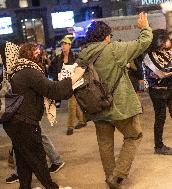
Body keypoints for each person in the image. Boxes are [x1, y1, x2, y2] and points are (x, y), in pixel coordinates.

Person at [75, 12, 152, 189]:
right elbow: (143, 42)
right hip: (120, 107)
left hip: (97, 108)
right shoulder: (114, 49)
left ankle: (110, 179)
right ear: (105, 36)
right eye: (109, 35)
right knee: (134, 136)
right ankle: (117, 177)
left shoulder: (83, 54)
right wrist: (145, 27)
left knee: (105, 144)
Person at [3, 42, 84, 189]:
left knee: (23, 160)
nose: (41, 54)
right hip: (24, 123)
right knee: (38, 158)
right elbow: (52, 89)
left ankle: (25, 186)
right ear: (30, 54)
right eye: (37, 52)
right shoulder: (29, 71)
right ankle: (50, 186)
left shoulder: (17, 69)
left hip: (15, 123)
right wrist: (75, 76)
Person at [143, 29, 172, 155]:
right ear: (160, 41)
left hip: (170, 88)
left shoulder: (167, 52)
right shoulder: (149, 56)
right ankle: (158, 146)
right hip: (157, 91)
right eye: (167, 39)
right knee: (160, 118)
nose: (169, 41)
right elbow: (161, 73)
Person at [51, 36, 86, 135]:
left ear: (70, 45)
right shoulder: (58, 58)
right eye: (62, 44)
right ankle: (82, 121)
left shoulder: (75, 56)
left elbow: (81, 69)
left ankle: (70, 126)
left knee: (71, 104)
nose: (63, 46)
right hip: (64, 84)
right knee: (74, 103)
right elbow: (54, 71)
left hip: (74, 84)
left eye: (65, 44)